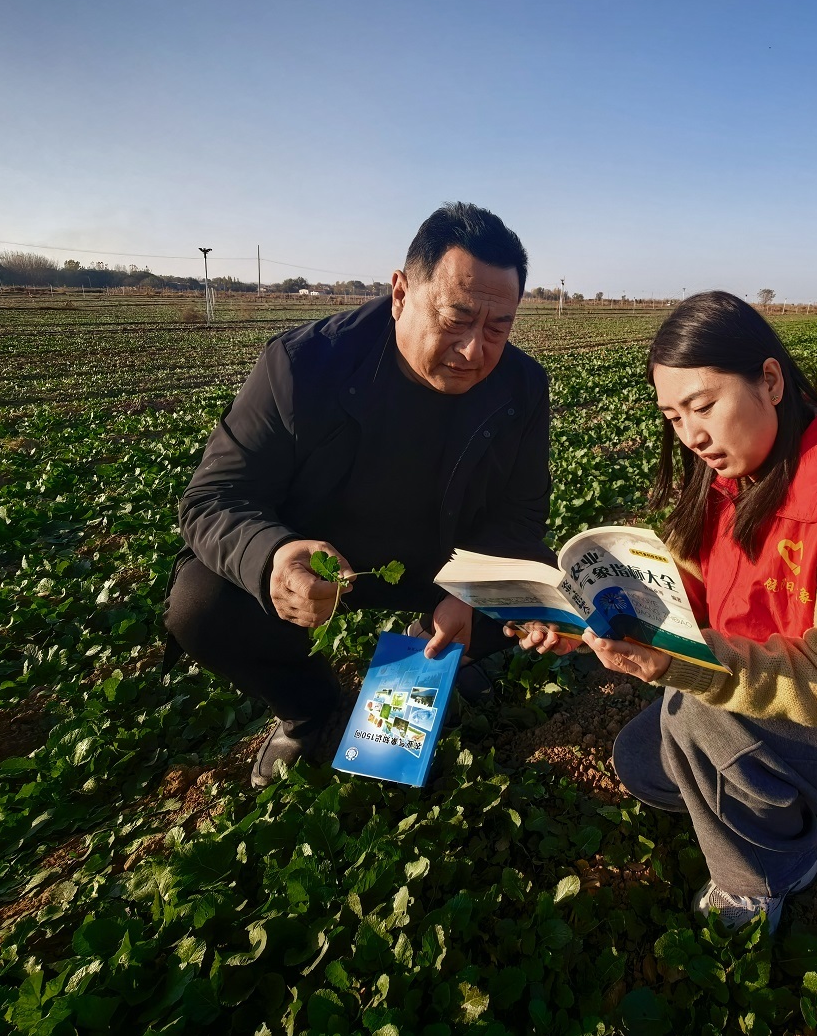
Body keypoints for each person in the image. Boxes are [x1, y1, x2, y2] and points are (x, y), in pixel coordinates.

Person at [519, 291, 817, 932]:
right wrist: (586, 617)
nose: (692, 435)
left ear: (770, 381)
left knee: (699, 719)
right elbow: (683, 591)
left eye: (703, 406)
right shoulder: (730, 479)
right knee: (643, 760)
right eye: (673, 417)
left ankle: (768, 874)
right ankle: (780, 787)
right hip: (794, 694)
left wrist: (684, 666)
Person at [165, 203, 552, 787]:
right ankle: (308, 707)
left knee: (541, 584)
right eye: (456, 318)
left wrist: (473, 593)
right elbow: (213, 497)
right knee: (202, 603)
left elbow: (523, 512)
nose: (474, 350)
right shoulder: (302, 367)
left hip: (445, 566)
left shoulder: (522, 387)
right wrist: (274, 556)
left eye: (498, 328)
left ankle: (454, 653)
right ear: (401, 293)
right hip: (332, 566)